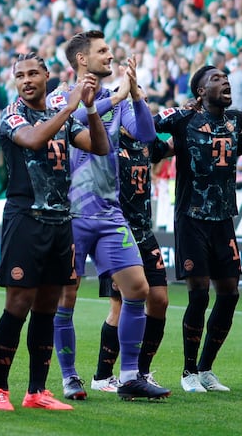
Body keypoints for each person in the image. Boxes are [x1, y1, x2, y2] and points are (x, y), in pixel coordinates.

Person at [52, 35, 171, 402]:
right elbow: (69, 119)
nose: (110, 55)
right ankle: (70, 377)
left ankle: (131, 376)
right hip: (71, 214)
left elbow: (147, 134)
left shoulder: (116, 101)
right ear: (82, 59)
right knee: (66, 296)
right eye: (102, 51)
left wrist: (134, 95)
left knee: (138, 289)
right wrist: (116, 98)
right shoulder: (62, 95)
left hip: (109, 213)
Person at [0, 52, 105, 413]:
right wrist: (70, 108)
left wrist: (90, 108)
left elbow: (100, 147)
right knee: (18, 304)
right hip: (25, 219)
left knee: (47, 307)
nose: (26, 80)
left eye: (33, 73)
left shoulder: (61, 115)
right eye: (20, 75)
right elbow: (34, 140)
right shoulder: (12, 115)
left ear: (46, 76)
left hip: (60, 222)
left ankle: (36, 391)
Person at [155, 65, 242, 394]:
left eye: (226, 77)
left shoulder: (237, 120)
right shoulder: (184, 119)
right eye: (216, 79)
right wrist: (172, 123)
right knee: (198, 295)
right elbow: (148, 125)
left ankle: (206, 368)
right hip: (191, 218)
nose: (225, 81)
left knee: (230, 294)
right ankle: (188, 372)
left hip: (223, 220)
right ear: (200, 91)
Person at [91, 131, 172, 394]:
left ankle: (141, 372)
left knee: (159, 300)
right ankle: (103, 376)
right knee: (120, 306)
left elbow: (169, 147)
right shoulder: (107, 140)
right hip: (116, 233)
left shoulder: (147, 141)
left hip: (145, 233)